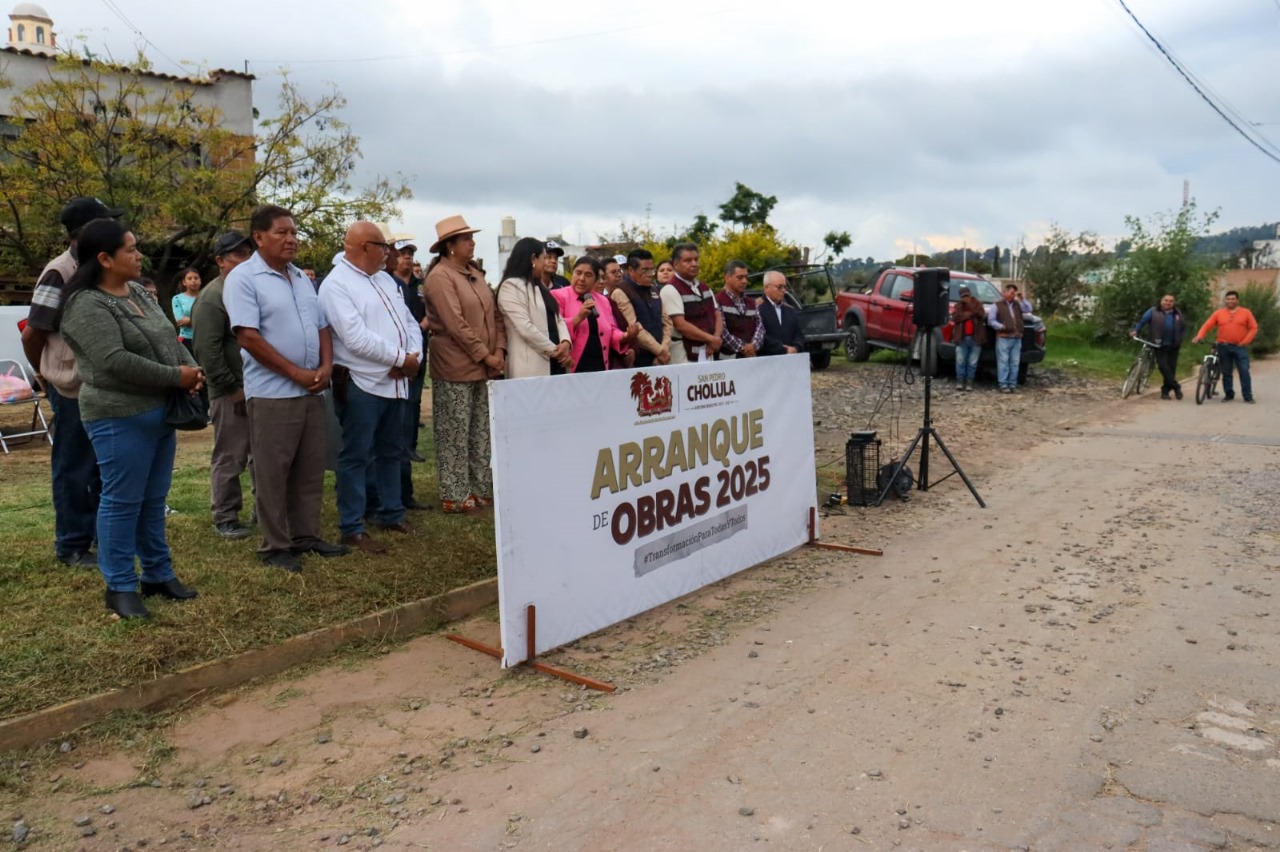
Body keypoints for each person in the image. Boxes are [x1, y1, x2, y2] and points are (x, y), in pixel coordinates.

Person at [58, 219, 204, 619]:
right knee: (121, 502)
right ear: (104, 258)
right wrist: (177, 377)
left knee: (152, 501)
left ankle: (157, 573)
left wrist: (191, 370)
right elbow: (113, 362)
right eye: (131, 250)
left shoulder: (139, 291)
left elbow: (168, 340)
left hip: (159, 414)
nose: (139, 256)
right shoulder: (86, 304)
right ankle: (119, 585)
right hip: (118, 416)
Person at [224, 204, 349, 571]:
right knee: (273, 471)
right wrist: (295, 373)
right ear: (259, 237)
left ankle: (305, 535)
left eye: (294, 232)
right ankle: (275, 545)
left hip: (311, 390)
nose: (292, 239)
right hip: (273, 393)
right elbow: (247, 337)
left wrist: (325, 366)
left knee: (310, 468)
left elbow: (322, 326)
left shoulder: (301, 278)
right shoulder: (244, 278)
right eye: (282, 232)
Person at [20, 197, 117, 568]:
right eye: (105, 223)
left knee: (98, 465)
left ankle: (95, 533)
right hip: (70, 386)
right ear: (83, 232)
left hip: (100, 384)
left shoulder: (97, 267)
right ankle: (72, 545)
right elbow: (33, 334)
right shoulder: (60, 271)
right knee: (73, 465)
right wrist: (46, 375)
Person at [320, 222, 424, 553]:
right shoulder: (336, 284)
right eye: (384, 246)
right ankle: (352, 525)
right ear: (365, 247)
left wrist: (414, 357)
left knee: (392, 450)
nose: (390, 253)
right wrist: (399, 358)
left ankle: (391, 512)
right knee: (356, 454)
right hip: (361, 382)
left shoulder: (385, 280)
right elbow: (354, 337)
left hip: (394, 382)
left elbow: (409, 322)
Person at [422, 214, 506, 514]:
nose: (472, 242)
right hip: (456, 364)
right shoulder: (439, 277)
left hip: (485, 364)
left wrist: (499, 349)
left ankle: (481, 486)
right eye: (466, 238)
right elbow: (455, 325)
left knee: (482, 429)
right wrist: (486, 354)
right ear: (450, 246)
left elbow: (495, 314)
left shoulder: (476, 273)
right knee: (455, 430)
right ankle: (455, 493)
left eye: (471, 238)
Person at [190, 231, 257, 538]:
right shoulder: (211, 297)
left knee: (262, 454)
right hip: (229, 391)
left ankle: (263, 509)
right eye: (239, 255)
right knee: (231, 455)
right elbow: (206, 350)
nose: (247, 260)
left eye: (249, 254)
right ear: (220, 261)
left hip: (257, 387)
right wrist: (231, 388)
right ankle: (225, 516)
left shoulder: (246, 290)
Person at [497, 236, 572, 378]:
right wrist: (556, 351)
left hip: (556, 363)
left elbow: (558, 318)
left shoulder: (540, 286)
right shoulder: (511, 286)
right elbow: (525, 328)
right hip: (531, 367)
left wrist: (565, 342)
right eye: (544, 258)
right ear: (533, 259)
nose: (546, 263)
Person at [552, 256, 637, 373]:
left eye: (588, 275)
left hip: (599, 365)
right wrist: (579, 318)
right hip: (572, 365)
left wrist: (626, 336)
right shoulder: (558, 296)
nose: (582, 278)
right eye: (578, 273)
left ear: (596, 280)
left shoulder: (603, 300)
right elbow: (555, 328)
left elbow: (611, 330)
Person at [391, 239, 429, 464]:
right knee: (400, 402)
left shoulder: (421, 285)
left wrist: (421, 328)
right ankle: (399, 446)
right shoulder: (389, 282)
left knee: (414, 401)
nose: (407, 257)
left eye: (410, 253)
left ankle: (411, 446)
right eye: (403, 253)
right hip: (396, 350)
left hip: (419, 347)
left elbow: (431, 310)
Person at [1193, 290, 1258, 403]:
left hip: (1240, 347)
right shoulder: (1218, 313)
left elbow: (1253, 328)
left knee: (1244, 370)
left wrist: (1245, 342)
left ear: (1237, 300)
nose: (1230, 301)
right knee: (1226, 372)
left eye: (1233, 299)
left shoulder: (1246, 312)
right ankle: (1229, 394)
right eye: (1228, 299)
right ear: (1225, 300)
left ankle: (1247, 395)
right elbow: (1207, 325)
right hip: (1223, 346)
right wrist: (1199, 336)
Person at [611, 249, 671, 368]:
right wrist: (659, 351)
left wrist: (664, 348)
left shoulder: (654, 289)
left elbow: (667, 321)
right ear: (631, 270)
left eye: (651, 269)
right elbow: (634, 326)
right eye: (645, 270)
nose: (650, 274)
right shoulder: (621, 291)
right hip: (638, 359)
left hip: (661, 357)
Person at [663, 242, 722, 363]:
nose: (694, 264)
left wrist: (716, 337)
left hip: (706, 352)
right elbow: (680, 325)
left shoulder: (705, 287)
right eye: (688, 261)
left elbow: (717, 314)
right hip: (683, 355)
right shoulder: (670, 289)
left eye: (696, 259)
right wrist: (711, 339)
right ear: (676, 265)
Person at [1132, 294, 1187, 400]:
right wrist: (1135, 330)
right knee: (1163, 367)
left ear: (1174, 303)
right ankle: (1176, 386)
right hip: (1159, 344)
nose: (1168, 303)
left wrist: (1180, 339)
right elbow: (1142, 322)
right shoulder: (1153, 311)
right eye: (1166, 300)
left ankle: (1165, 392)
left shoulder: (1177, 313)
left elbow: (1183, 327)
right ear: (1161, 301)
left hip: (1173, 345)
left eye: (1171, 301)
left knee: (1171, 369)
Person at [714, 260, 764, 358]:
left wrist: (753, 345)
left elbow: (760, 327)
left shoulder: (752, 303)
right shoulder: (717, 300)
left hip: (750, 360)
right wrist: (743, 348)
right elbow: (722, 332)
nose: (744, 281)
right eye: (740, 277)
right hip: (727, 362)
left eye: (746, 277)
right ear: (727, 278)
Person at [986, 284, 1024, 393]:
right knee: (1003, 362)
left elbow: (1028, 308)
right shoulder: (997, 305)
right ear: (1005, 293)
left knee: (1015, 362)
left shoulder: (1017, 305)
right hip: (1004, 337)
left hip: (1016, 338)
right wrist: (1001, 326)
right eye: (1011, 293)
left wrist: (1021, 298)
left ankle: (1012, 384)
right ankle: (1003, 385)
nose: (1013, 295)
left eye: (1014, 293)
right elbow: (991, 320)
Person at [758, 270, 805, 356]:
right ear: (766, 287)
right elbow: (760, 337)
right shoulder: (758, 309)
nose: (783, 290)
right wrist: (782, 349)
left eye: (784, 287)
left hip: (790, 361)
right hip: (767, 360)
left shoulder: (790, 311)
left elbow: (799, 335)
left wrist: (796, 348)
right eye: (779, 287)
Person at [951, 286, 987, 391]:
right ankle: (960, 381)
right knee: (960, 361)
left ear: (970, 295)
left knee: (972, 362)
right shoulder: (958, 306)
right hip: (961, 337)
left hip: (976, 338)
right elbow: (955, 318)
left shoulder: (977, 304)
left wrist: (970, 306)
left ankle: (969, 382)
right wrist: (968, 315)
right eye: (963, 297)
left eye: (967, 296)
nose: (965, 298)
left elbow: (981, 314)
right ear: (960, 297)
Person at [171, 267, 201, 353]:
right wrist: (200, 320)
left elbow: (211, 319)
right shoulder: (177, 299)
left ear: (200, 280)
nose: (193, 281)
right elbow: (180, 321)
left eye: (196, 278)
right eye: (189, 278)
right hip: (186, 339)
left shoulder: (205, 297)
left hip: (204, 338)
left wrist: (190, 320)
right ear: (184, 282)